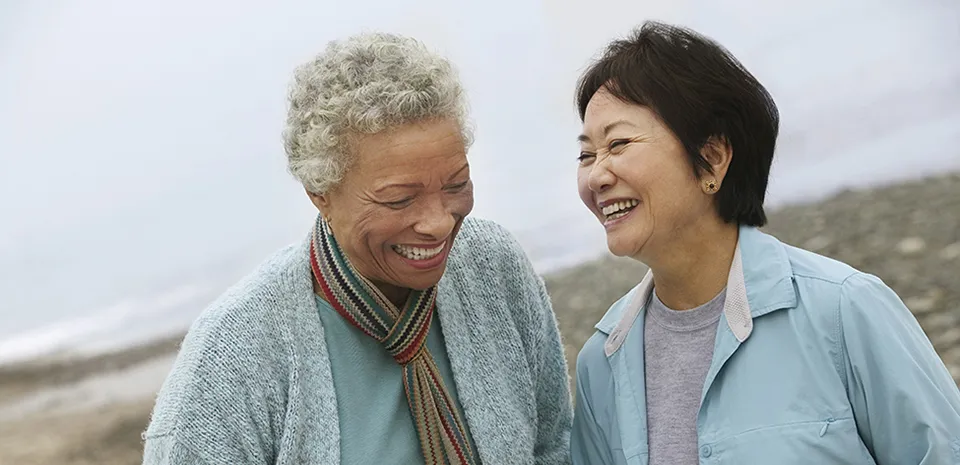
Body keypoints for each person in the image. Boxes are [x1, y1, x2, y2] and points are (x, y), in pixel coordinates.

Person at [142, 32, 572, 465]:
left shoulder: (492, 265)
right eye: (399, 199)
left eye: (456, 184)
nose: (439, 222)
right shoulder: (231, 357)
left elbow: (556, 445)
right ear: (320, 192)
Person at [569, 21, 960, 465]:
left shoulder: (844, 310)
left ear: (712, 158)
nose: (597, 175)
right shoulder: (601, 362)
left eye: (618, 144)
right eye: (586, 154)